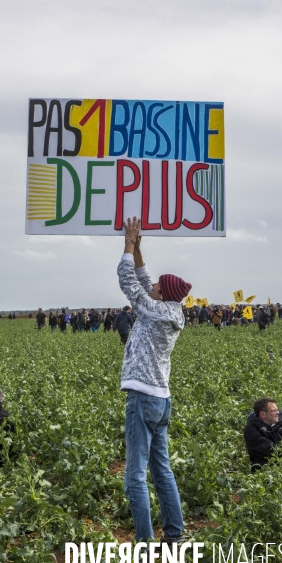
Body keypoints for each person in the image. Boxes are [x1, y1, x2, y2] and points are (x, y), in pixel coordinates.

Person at [117, 217, 192, 544]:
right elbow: (145, 281)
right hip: (161, 400)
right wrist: (140, 252)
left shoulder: (155, 311)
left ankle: (145, 546)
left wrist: (129, 244)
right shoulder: (171, 309)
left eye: (159, 287)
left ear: (164, 295)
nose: (154, 287)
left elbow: (129, 284)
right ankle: (174, 536)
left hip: (144, 398)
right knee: (161, 470)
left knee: (134, 476)